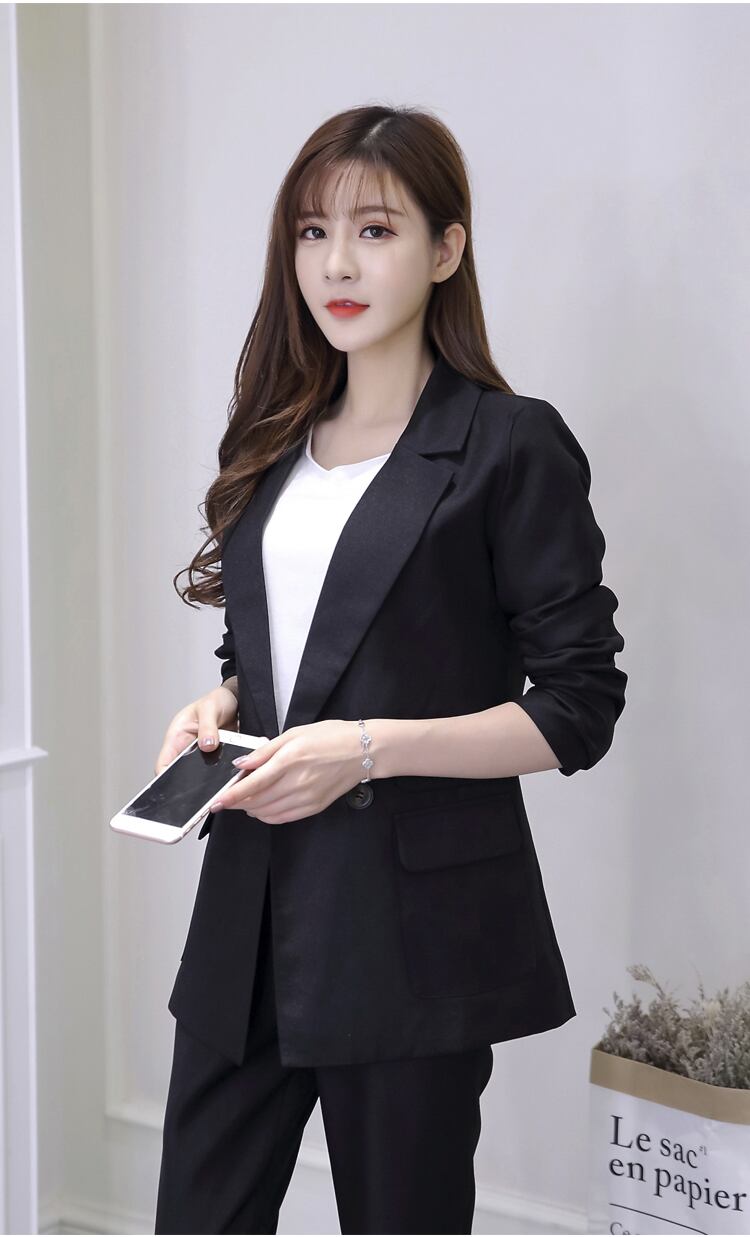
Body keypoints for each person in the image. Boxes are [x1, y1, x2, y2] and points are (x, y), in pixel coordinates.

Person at [153, 103, 627, 1235]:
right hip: (247, 918)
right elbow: (275, 654)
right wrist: (222, 703)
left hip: (411, 932)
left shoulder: (508, 444)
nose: (338, 264)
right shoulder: (274, 438)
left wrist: (366, 751)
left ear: (446, 248)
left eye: (375, 230)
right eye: (313, 233)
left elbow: (578, 705)